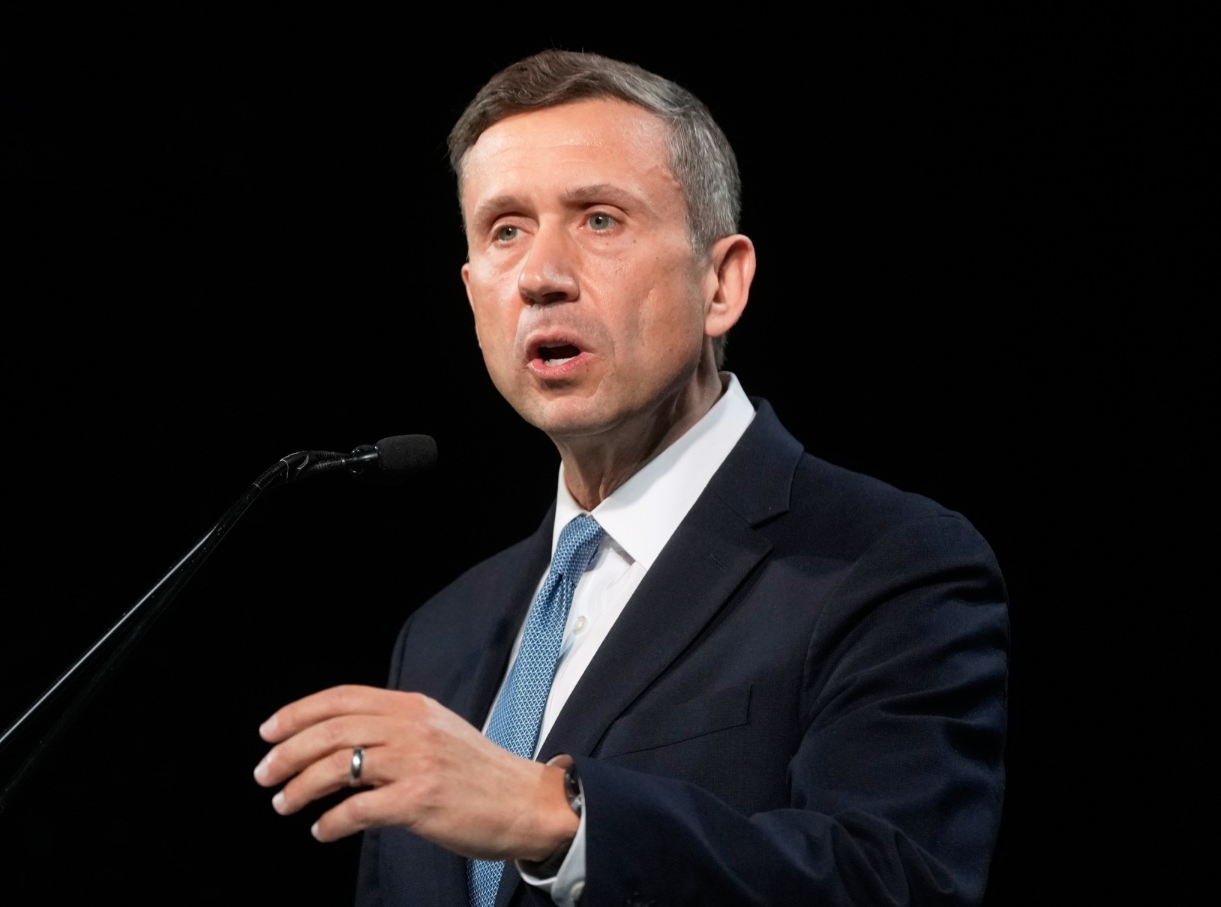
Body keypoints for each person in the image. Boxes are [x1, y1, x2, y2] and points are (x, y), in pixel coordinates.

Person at [254, 50, 1008, 907]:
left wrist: (564, 821)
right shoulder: (440, 635)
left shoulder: (885, 563)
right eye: (505, 230)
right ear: (472, 297)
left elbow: (894, 883)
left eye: (600, 219)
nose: (540, 276)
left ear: (721, 283)